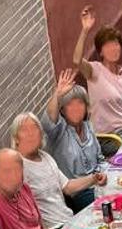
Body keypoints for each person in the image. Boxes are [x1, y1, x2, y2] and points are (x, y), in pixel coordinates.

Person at [11, 112, 102, 229]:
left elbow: (67, 187)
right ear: (16, 139)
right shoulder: (18, 166)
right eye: (24, 130)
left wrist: (93, 178)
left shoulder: (45, 156)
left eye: (34, 127)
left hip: (69, 220)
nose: (31, 133)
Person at [42, 72, 104, 208]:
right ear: (62, 110)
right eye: (70, 104)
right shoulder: (58, 132)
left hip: (99, 182)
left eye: (80, 103)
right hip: (79, 193)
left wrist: (104, 173)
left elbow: (100, 158)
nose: (76, 108)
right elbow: (47, 122)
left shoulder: (87, 125)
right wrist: (57, 95)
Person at [72, 9, 122, 134]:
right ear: (100, 52)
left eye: (115, 44)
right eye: (108, 46)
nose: (113, 49)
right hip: (109, 136)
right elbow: (77, 60)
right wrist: (85, 30)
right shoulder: (94, 71)